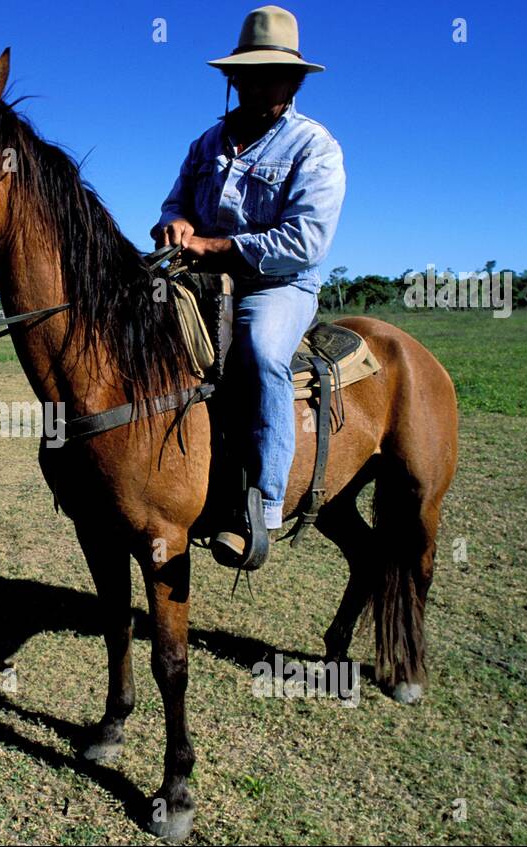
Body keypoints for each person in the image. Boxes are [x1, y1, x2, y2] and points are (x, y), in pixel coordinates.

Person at [151, 4, 345, 569]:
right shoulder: (206, 143)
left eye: (272, 74)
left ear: (295, 80)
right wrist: (177, 223)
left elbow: (305, 241)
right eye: (248, 73)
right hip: (199, 277)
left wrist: (217, 246)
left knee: (261, 352)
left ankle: (261, 504)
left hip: (276, 284)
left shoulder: (315, 147)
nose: (258, 84)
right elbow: (175, 202)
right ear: (232, 77)